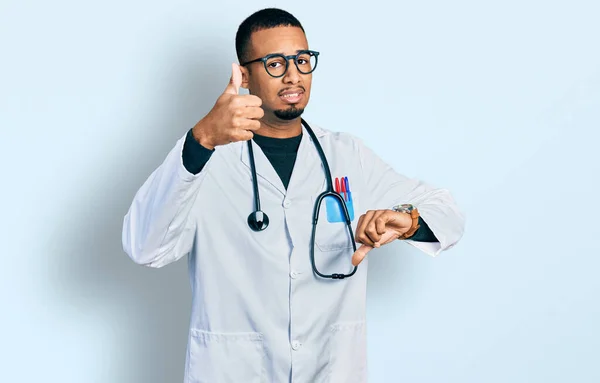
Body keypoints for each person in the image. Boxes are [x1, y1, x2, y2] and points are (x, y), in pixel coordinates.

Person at [122, 7, 465, 383]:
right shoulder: (207, 160)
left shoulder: (346, 155)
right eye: (274, 63)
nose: (293, 75)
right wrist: (200, 139)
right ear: (245, 75)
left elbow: (447, 212)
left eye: (302, 60)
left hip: (331, 371)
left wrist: (407, 220)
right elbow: (144, 246)